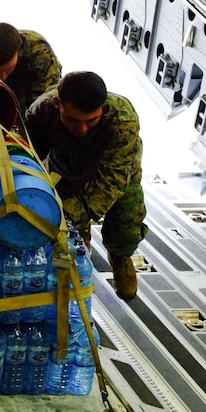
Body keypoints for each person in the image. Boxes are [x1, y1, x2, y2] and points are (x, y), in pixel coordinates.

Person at [24, 71, 146, 300]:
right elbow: (28, 160)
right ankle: (81, 244)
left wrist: (71, 215)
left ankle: (120, 255)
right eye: (72, 120)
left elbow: (112, 180)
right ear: (57, 103)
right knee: (64, 225)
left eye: (91, 121)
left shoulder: (122, 119)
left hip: (116, 169)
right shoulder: (41, 111)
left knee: (127, 221)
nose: (81, 129)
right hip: (67, 168)